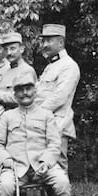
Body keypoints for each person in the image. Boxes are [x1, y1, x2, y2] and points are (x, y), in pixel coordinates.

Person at [0, 71, 72, 196]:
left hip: (43, 166)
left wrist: (46, 161)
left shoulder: (46, 115)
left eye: (28, 89)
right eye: (20, 90)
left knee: (62, 184)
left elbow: (54, 144)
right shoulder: (7, 116)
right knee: (5, 187)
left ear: (35, 91)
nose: (25, 93)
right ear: (15, 94)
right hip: (15, 167)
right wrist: (5, 159)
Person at [36, 24, 80, 172]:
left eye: (49, 41)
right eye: (44, 41)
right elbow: (38, 94)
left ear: (61, 42)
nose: (45, 45)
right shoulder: (50, 67)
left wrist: (35, 114)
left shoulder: (69, 66)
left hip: (58, 124)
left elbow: (59, 97)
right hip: (44, 124)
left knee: (58, 170)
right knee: (45, 168)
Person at [0, 32, 37, 110]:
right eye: (6, 49)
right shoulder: (6, 70)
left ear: (21, 49)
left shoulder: (26, 70)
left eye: (12, 48)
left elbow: (25, 97)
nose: (9, 53)